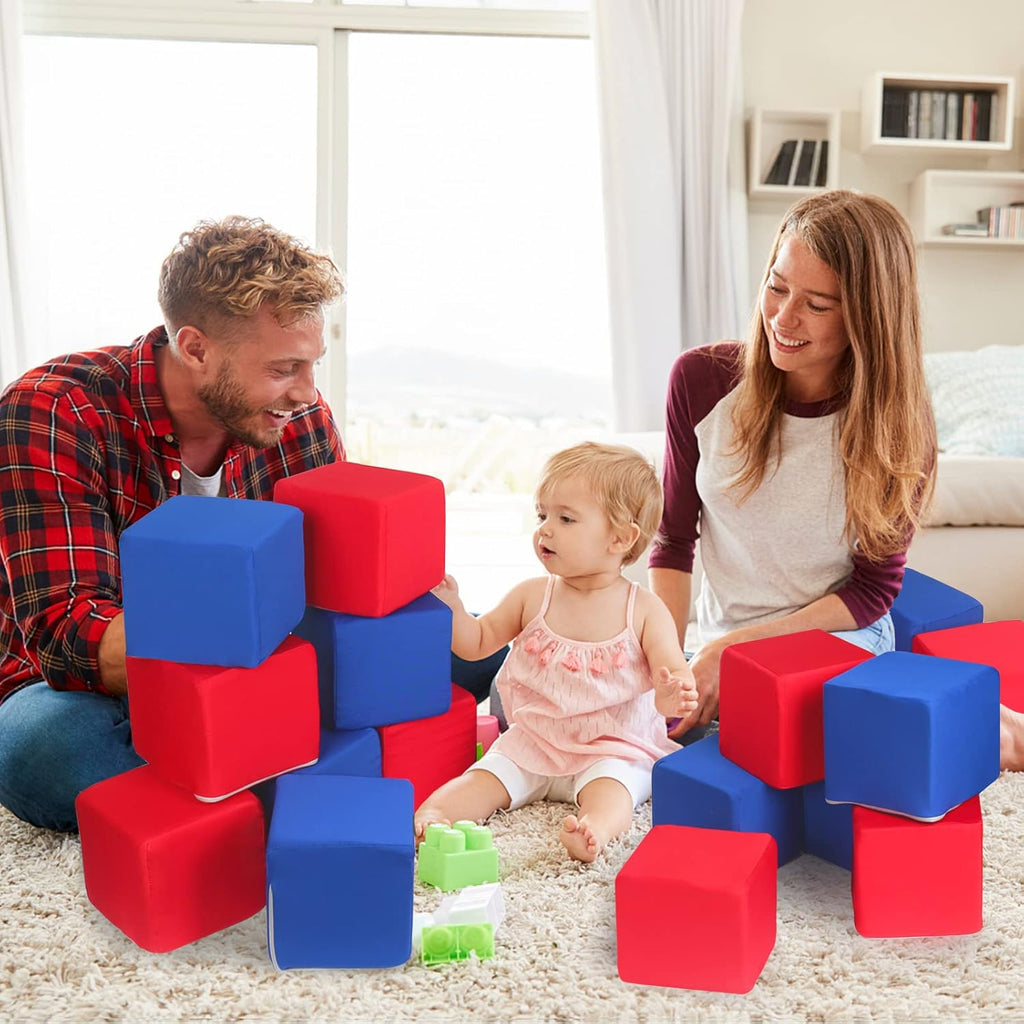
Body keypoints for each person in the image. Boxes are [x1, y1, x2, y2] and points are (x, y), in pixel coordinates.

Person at [0, 216, 346, 832]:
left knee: (472, 646)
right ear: (194, 348)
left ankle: (227, 780)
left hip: (263, 673)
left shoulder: (300, 421)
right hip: (82, 692)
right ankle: (278, 774)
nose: (307, 394)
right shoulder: (54, 410)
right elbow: (69, 633)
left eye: (312, 364)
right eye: (283, 369)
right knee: (44, 750)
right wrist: (246, 652)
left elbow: (336, 585)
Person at [649, 189, 939, 743]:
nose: (784, 316)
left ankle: (998, 730)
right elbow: (672, 539)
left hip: (831, 640)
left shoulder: (899, 422)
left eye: (818, 304)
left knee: (799, 738)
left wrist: (736, 648)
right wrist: (667, 666)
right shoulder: (702, 380)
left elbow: (872, 592)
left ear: (869, 316)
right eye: (777, 287)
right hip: (711, 643)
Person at [415, 442, 698, 863]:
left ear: (620, 538)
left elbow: (672, 672)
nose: (546, 529)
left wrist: (671, 694)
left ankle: (593, 831)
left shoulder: (643, 609)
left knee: (615, 791)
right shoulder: (532, 596)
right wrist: (456, 609)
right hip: (533, 741)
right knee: (483, 778)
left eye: (566, 519)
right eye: (542, 514)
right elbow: (475, 644)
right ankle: (437, 813)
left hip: (612, 747)